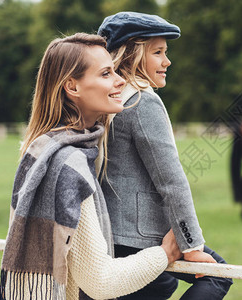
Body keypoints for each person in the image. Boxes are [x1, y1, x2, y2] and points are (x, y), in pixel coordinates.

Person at [0, 33, 183, 300]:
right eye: (106, 74)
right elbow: (100, 281)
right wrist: (165, 253)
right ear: (72, 87)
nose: (120, 80)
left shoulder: (41, 148)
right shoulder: (68, 162)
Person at [97, 12, 233, 299]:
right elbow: (171, 180)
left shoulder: (102, 101)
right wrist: (192, 247)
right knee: (219, 276)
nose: (167, 61)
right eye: (158, 52)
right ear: (132, 54)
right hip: (141, 241)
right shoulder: (143, 102)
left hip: (105, 236)